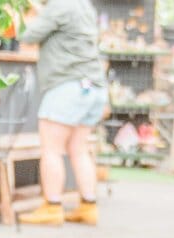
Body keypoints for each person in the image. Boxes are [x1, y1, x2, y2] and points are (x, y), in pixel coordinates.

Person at [18, 0, 107, 226]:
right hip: (93, 86)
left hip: (67, 86)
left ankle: (52, 206)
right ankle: (88, 206)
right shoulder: (84, 6)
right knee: (79, 148)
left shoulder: (59, 5)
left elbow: (27, 35)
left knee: (51, 149)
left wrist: (21, 13)